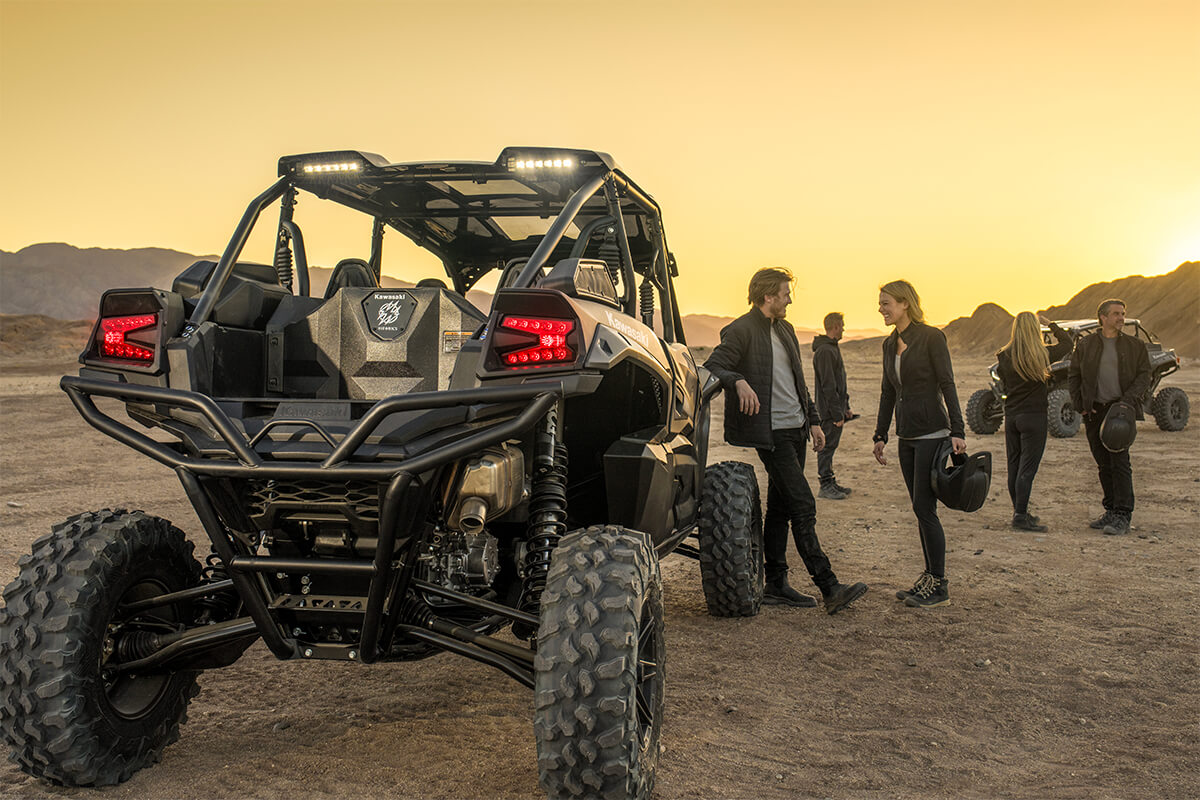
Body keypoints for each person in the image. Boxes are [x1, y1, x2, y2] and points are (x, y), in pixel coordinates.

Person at [705, 267, 868, 615]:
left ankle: (776, 585)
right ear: (768, 296)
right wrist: (738, 381)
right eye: (785, 293)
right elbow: (714, 365)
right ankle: (829, 586)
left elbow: (799, 382)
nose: (790, 299)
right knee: (803, 505)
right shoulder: (741, 330)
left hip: (796, 431)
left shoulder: (786, 329)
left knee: (780, 509)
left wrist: (812, 421)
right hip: (772, 434)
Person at [871, 280, 965, 609]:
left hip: (932, 434)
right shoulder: (889, 344)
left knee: (925, 508)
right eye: (881, 304)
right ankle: (929, 578)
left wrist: (958, 429)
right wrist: (880, 434)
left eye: (886, 303)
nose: (881, 309)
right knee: (918, 508)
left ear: (904, 304)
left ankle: (939, 585)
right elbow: (888, 392)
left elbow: (947, 383)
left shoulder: (930, 338)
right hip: (906, 437)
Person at [1067, 299, 1151, 535]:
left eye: (1123, 313)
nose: (1121, 317)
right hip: (1094, 411)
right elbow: (1074, 375)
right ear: (1102, 317)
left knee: (1120, 462)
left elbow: (1145, 375)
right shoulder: (1086, 345)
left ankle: (1123, 514)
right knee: (1103, 463)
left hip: (1120, 411)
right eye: (1116, 314)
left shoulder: (1135, 345)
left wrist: (1128, 401)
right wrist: (1080, 404)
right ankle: (1111, 510)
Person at [996, 312, 1052, 532]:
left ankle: (1020, 511)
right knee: (1028, 468)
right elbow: (1068, 343)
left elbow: (1004, 384)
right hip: (1034, 417)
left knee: (1014, 466)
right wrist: (1051, 325)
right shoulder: (1043, 354)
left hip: (1012, 417)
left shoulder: (1004, 356)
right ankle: (1020, 516)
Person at [811, 311, 854, 500]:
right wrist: (837, 414)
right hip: (828, 412)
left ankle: (830, 481)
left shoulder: (831, 348)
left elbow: (839, 382)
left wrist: (846, 407)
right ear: (835, 326)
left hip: (835, 410)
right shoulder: (825, 351)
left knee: (831, 446)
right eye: (842, 325)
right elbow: (828, 385)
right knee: (826, 447)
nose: (844, 329)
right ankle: (825, 485)